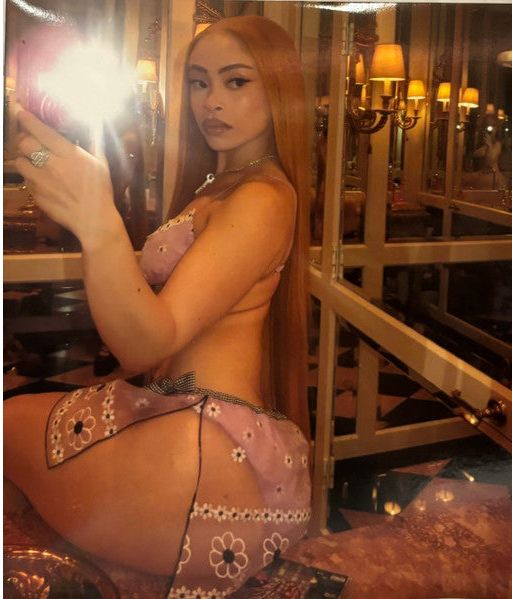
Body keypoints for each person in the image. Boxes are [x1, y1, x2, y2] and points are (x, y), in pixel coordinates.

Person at [5, 15, 312, 598]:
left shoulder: (263, 198)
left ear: (279, 88)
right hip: (185, 425)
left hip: (206, 451)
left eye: (236, 81)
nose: (211, 101)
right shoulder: (221, 187)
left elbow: (148, 341)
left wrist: (99, 222)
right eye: (198, 82)